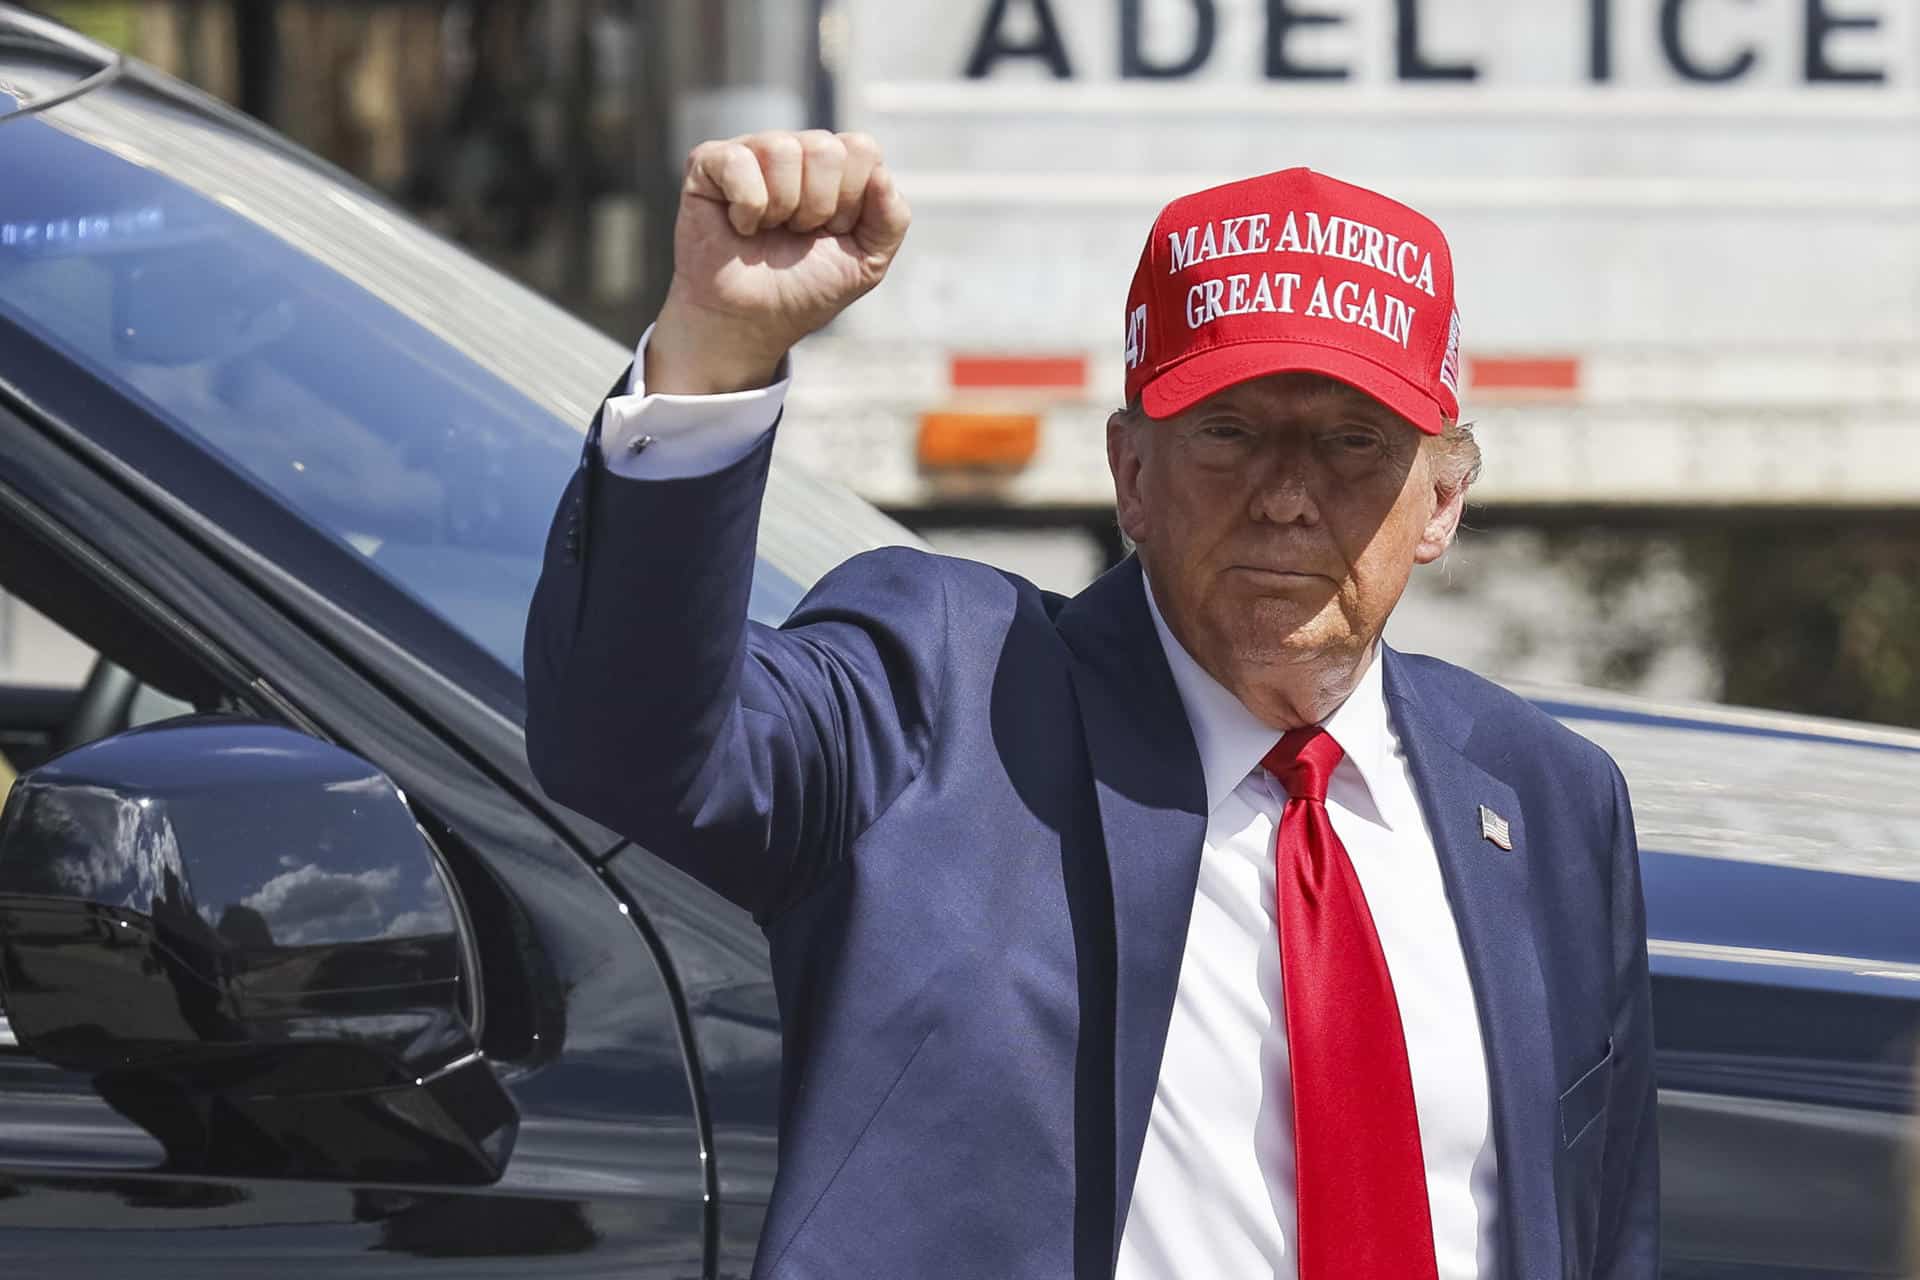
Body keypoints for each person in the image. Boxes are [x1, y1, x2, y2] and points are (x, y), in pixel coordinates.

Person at [523, 130, 1658, 1280]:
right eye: (1228, 432)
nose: (1284, 496)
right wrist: (714, 354)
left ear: (1443, 502)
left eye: (1354, 443)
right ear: (1131, 476)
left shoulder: (1548, 799)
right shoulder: (948, 692)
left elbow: (1601, 1228)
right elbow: (634, 743)